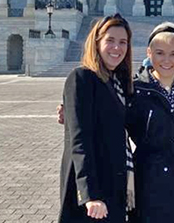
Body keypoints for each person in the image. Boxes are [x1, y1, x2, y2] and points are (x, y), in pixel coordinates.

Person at [58, 13, 134, 223]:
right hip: (94, 190)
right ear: (97, 42)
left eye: (123, 42)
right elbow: (79, 141)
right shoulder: (81, 78)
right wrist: (90, 195)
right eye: (110, 40)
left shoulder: (118, 82)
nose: (117, 48)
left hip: (115, 182)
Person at [127, 22, 174, 223]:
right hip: (148, 182)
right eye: (160, 53)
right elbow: (108, 120)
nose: (166, 60)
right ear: (149, 53)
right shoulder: (135, 90)